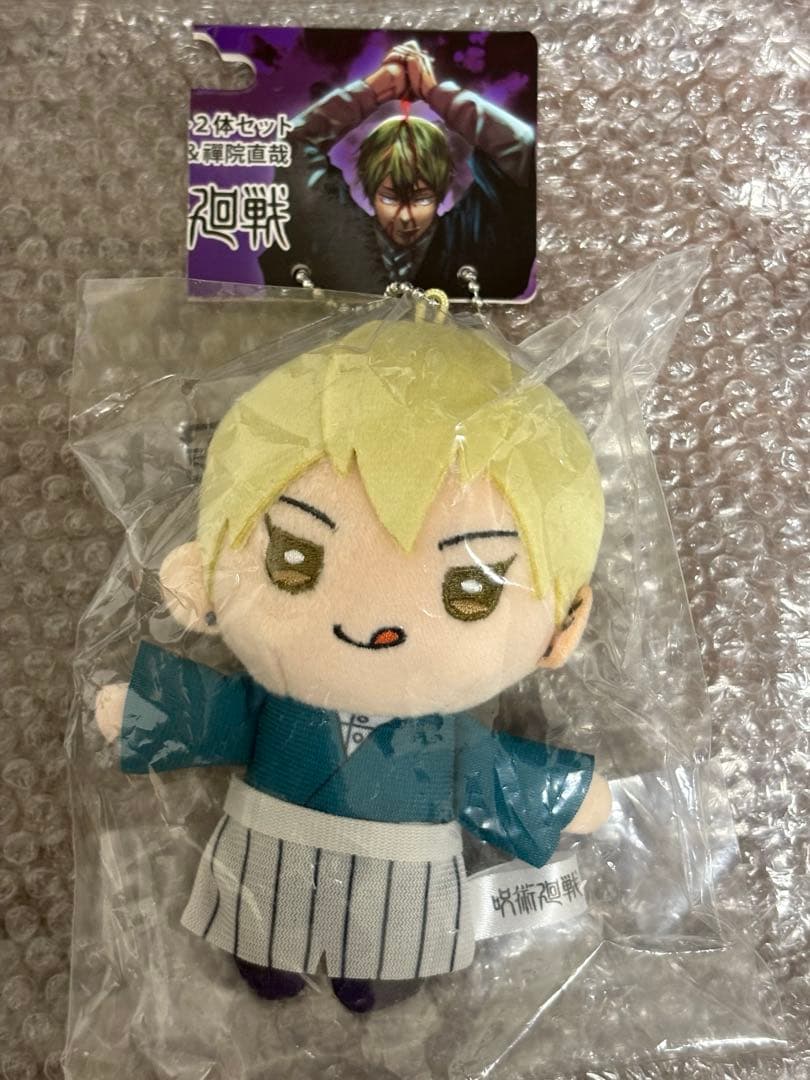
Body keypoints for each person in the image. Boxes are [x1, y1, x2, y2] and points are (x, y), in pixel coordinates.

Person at [96, 316, 610, 1013]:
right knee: (265, 938)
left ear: (562, 629)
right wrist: (145, 711)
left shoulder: (442, 739)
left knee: (387, 956)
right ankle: (273, 957)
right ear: (201, 572)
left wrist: (560, 797)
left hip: (404, 882)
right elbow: (221, 714)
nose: (375, 624)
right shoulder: (289, 710)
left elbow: (490, 774)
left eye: (469, 589)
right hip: (269, 860)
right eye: (295, 558)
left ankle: (374, 968)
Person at [259, 41, 536, 299]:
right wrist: (372, 91)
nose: (405, 218)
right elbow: (293, 143)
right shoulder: (339, 233)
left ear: (441, 190)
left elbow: (520, 147)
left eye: (421, 199)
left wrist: (437, 95)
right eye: (390, 198)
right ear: (370, 188)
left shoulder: (469, 235)